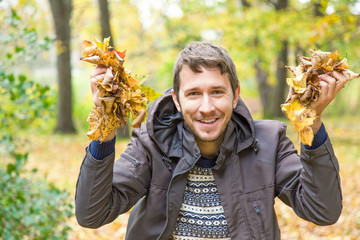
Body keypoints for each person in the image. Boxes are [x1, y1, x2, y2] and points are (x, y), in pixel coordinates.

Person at [75, 42, 345, 240]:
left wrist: (311, 120)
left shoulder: (270, 143)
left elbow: (322, 211)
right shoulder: (151, 144)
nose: (206, 107)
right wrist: (105, 122)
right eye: (193, 94)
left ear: (235, 95)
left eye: (217, 92)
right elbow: (93, 214)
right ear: (177, 101)